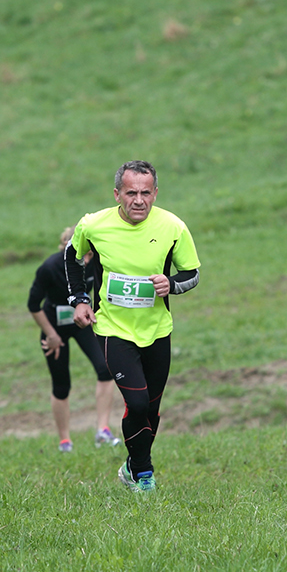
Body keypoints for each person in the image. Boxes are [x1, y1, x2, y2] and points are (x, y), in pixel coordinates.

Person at [65, 160, 200, 493]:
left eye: (145, 193)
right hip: (113, 329)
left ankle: (131, 466)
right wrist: (79, 299)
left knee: (151, 409)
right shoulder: (93, 225)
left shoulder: (173, 227)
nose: (138, 200)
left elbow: (192, 274)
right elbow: (72, 257)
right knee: (137, 404)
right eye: (130, 193)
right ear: (117, 194)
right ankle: (143, 473)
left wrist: (171, 284)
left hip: (157, 329)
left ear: (155, 193)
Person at [28, 227, 118, 453]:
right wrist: (51, 335)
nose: (86, 260)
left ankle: (103, 431)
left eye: (89, 254)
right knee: (62, 385)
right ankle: (65, 442)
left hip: (82, 323)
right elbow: (33, 304)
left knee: (105, 368)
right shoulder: (50, 267)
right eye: (81, 254)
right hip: (54, 327)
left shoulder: (95, 262)